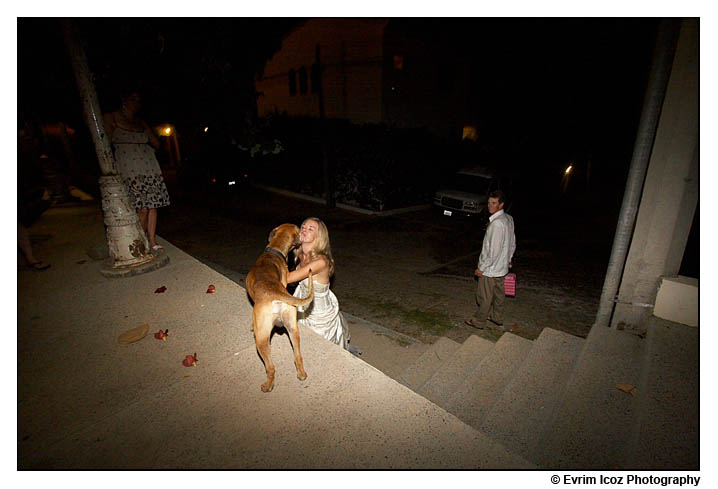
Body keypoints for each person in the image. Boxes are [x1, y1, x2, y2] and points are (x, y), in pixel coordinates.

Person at [103, 89, 170, 251]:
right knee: (141, 208)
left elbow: (156, 143)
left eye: (138, 100)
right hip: (129, 167)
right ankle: (140, 239)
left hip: (148, 165)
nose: (136, 103)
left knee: (152, 205)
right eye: (133, 99)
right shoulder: (111, 117)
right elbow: (106, 142)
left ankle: (152, 239)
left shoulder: (141, 122)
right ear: (124, 100)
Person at [287, 217, 359, 354]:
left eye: (310, 229)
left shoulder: (321, 261)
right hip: (303, 301)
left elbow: (289, 278)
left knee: (318, 347)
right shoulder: (302, 255)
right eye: (303, 227)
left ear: (318, 236)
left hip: (317, 310)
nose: (304, 230)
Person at [465, 189, 516, 331]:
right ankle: (496, 317)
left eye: (494, 203)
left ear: (501, 205)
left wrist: (482, 267)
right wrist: (509, 259)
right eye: (489, 203)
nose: (490, 206)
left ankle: (478, 321)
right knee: (499, 294)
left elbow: (493, 251)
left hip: (491, 269)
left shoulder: (497, 224)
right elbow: (512, 242)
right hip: (502, 268)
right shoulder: (508, 219)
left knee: (484, 296)